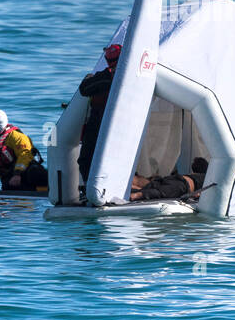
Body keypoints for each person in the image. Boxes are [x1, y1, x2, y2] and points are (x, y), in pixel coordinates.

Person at [77, 43, 121, 183]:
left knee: (86, 160)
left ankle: (91, 188)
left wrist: (89, 77)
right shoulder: (128, 76)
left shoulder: (107, 76)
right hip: (119, 124)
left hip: (100, 122)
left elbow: (84, 88)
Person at [0, 108, 48, 192]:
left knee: (34, 173)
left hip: (27, 175)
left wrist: (17, 174)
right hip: (10, 181)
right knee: (8, 185)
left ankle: (47, 190)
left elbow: (25, 155)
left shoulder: (17, 137)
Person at [130, 158, 208, 202]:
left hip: (177, 179)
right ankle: (134, 194)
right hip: (180, 186)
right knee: (152, 192)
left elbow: (198, 163)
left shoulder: (207, 175)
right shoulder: (209, 180)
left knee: (150, 185)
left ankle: (130, 185)